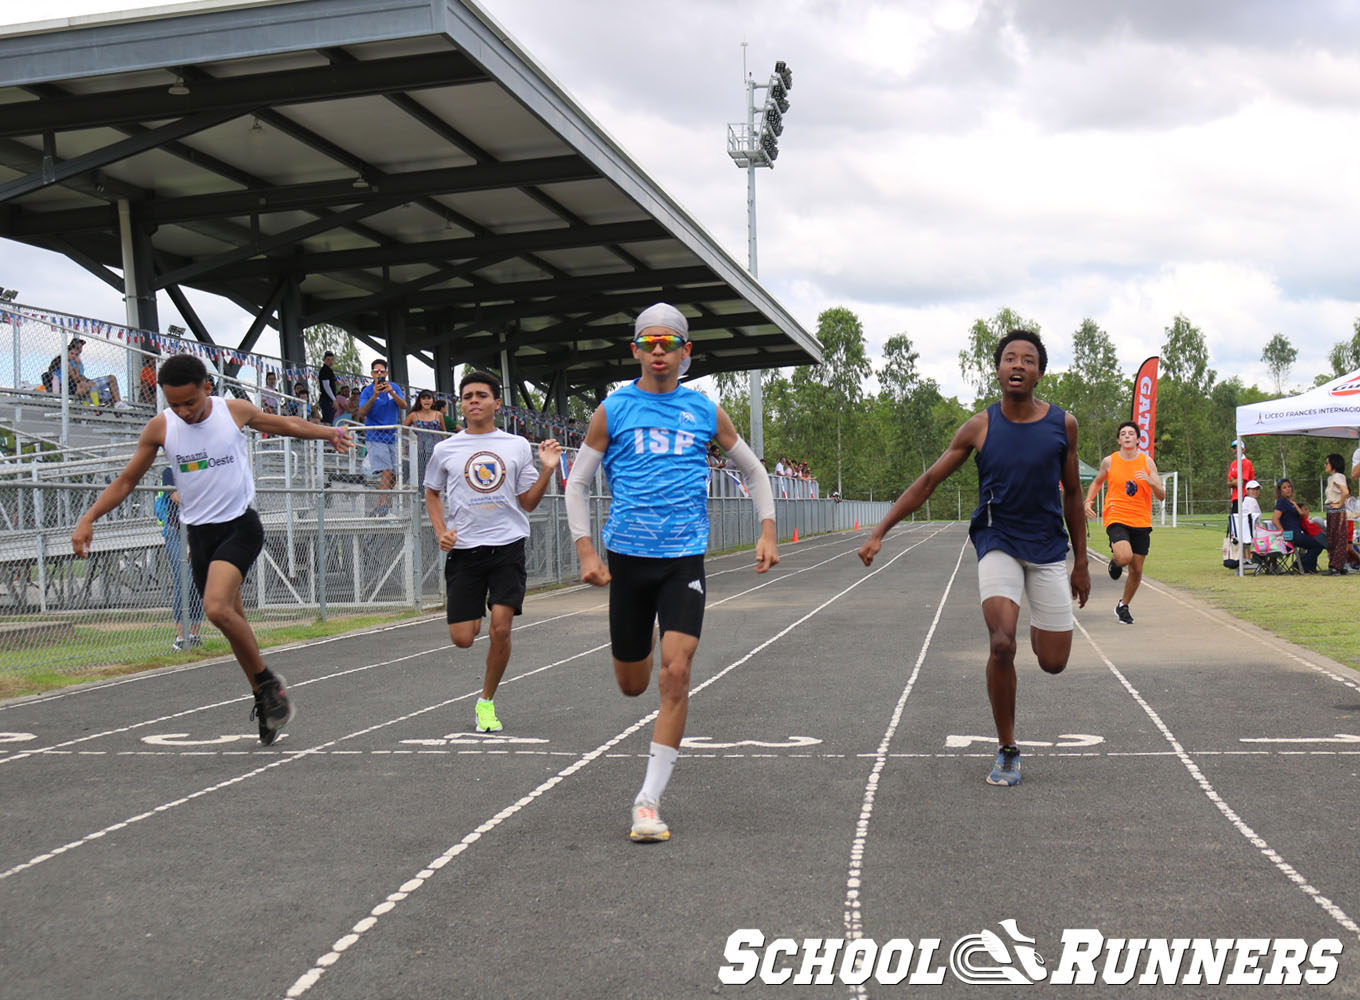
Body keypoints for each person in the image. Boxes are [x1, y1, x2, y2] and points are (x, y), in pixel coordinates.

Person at [564, 303, 779, 843]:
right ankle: (649, 639)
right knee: (633, 684)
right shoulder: (613, 410)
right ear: (635, 350)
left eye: (669, 342)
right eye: (649, 342)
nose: (659, 351)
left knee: (675, 673)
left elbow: (753, 469)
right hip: (628, 563)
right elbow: (576, 483)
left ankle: (647, 801)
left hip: (684, 559)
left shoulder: (704, 411)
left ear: (687, 352)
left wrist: (768, 529)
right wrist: (586, 551)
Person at [71, 354, 354, 745]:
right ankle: (264, 696)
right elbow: (126, 480)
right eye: (175, 405)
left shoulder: (233, 411)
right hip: (200, 536)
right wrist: (89, 518)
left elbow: (287, 424)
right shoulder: (161, 428)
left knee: (216, 608)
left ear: (208, 387)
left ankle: (268, 685)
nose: (184, 412)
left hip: (239, 526)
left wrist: (328, 434)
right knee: (231, 620)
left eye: (191, 402)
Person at [858, 329, 1090, 788]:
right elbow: (929, 481)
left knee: (1053, 662)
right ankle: (1007, 748)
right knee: (1002, 643)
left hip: (1046, 547)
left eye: (1028, 360)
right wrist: (881, 530)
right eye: (1009, 358)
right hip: (997, 538)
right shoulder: (979, 427)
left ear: (1040, 372)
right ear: (998, 369)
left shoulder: (1063, 425)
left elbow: (1074, 493)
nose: (1018, 365)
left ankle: (1038, 618)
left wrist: (1081, 562)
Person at [423, 371, 561, 734]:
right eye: (467, 396)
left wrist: (546, 471)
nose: (473, 401)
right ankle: (476, 609)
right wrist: (441, 532)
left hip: (507, 547)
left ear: (496, 403)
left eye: (481, 395)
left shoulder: (515, 445)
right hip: (465, 551)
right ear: (460, 404)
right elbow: (432, 493)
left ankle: (486, 701)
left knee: (501, 629)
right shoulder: (445, 449)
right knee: (463, 639)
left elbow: (528, 503)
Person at [1082, 421, 1166, 624]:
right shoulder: (1110, 461)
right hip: (1116, 515)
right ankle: (1116, 561)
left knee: (1137, 569)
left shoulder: (1147, 463)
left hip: (1141, 520)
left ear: (1138, 439)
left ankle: (1123, 606)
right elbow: (1097, 481)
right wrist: (1088, 500)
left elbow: (1161, 496)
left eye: (1131, 433)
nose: (1127, 436)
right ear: (1119, 440)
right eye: (1123, 433)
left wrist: (1151, 480)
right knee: (1124, 556)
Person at [155, 466, 203, 651]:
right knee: (183, 579)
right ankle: (181, 635)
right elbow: (177, 498)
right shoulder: (170, 471)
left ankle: (195, 633)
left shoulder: (200, 467)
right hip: (177, 532)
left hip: (198, 532)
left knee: (197, 582)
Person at [354, 358, 407, 515]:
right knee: (387, 470)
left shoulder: (394, 387)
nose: (379, 374)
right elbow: (361, 413)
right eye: (376, 372)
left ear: (386, 373)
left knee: (396, 473)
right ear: (372, 374)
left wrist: (391, 392)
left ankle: (383, 504)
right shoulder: (368, 391)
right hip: (376, 435)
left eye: (382, 371)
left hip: (392, 436)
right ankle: (381, 505)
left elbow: (404, 405)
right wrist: (375, 395)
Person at [1272, 478, 1324, 573]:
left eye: (1289, 486)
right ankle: (1300, 565)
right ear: (1280, 491)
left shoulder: (1290, 502)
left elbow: (1302, 515)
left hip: (1298, 533)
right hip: (1292, 535)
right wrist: (1283, 533)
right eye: (1284, 488)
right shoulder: (1281, 502)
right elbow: (1275, 520)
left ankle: (1309, 567)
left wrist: (1295, 504)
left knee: (1317, 543)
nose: (1288, 489)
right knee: (1318, 545)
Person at [61, 339, 128, 407]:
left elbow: (81, 376)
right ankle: (114, 405)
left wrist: (85, 379)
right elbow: (75, 379)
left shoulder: (78, 360)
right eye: (78, 346)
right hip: (78, 386)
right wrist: (78, 366)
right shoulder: (68, 361)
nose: (80, 348)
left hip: (85, 383)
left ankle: (116, 405)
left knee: (112, 394)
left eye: (81, 347)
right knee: (111, 378)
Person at [405, 390, 444, 487]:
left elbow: (443, 431)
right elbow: (403, 429)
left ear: (433, 400)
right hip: (419, 448)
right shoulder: (413, 415)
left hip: (435, 448)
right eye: (424, 398)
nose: (426, 401)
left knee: (436, 473)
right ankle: (421, 498)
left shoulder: (438, 414)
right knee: (420, 474)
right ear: (419, 401)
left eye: (429, 398)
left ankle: (437, 496)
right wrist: (413, 434)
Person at [1323, 453, 1351, 575]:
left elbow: (1345, 492)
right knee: (1332, 538)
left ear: (1334, 464)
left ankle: (1336, 566)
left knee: (1338, 538)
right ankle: (1340, 565)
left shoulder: (1338, 476)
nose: (1325, 465)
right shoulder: (1332, 478)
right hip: (1331, 511)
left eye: (1327, 463)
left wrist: (1339, 504)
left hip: (1337, 512)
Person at [1226, 441, 1254, 535]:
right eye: (1234, 448)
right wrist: (1235, 481)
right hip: (1235, 498)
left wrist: (1234, 481)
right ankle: (1233, 547)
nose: (1235, 450)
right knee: (1233, 526)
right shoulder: (1233, 464)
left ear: (1243, 449)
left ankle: (1244, 548)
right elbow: (1228, 483)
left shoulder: (1246, 463)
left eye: (1237, 448)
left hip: (1244, 497)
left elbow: (1241, 482)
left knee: (1244, 527)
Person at [1239, 480, 1264, 563]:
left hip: (1244, 534)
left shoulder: (1244, 501)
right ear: (1247, 490)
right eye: (1253, 489)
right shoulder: (1252, 501)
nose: (1256, 491)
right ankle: (1272, 565)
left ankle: (1246, 558)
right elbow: (1253, 519)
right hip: (1252, 534)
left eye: (1257, 489)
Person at [317, 351, 339, 424]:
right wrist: (334, 399)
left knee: (330, 419)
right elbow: (326, 386)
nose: (330, 361)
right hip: (327, 399)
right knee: (328, 421)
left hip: (328, 399)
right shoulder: (325, 370)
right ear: (324, 360)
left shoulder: (329, 370)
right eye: (328, 359)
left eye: (332, 359)